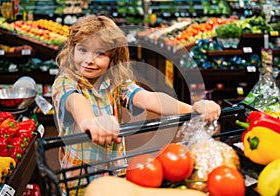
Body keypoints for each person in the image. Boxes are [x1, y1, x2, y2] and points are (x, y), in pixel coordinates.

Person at [52, 14, 221, 194]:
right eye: (82, 50)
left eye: (100, 53)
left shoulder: (115, 82)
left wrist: (192, 109)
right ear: (72, 50)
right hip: (79, 179)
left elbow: (149, 98)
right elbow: (74, 101)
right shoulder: (65, 82)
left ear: (112, 58)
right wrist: (91, 122)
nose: (89, 59)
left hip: (115, 173)